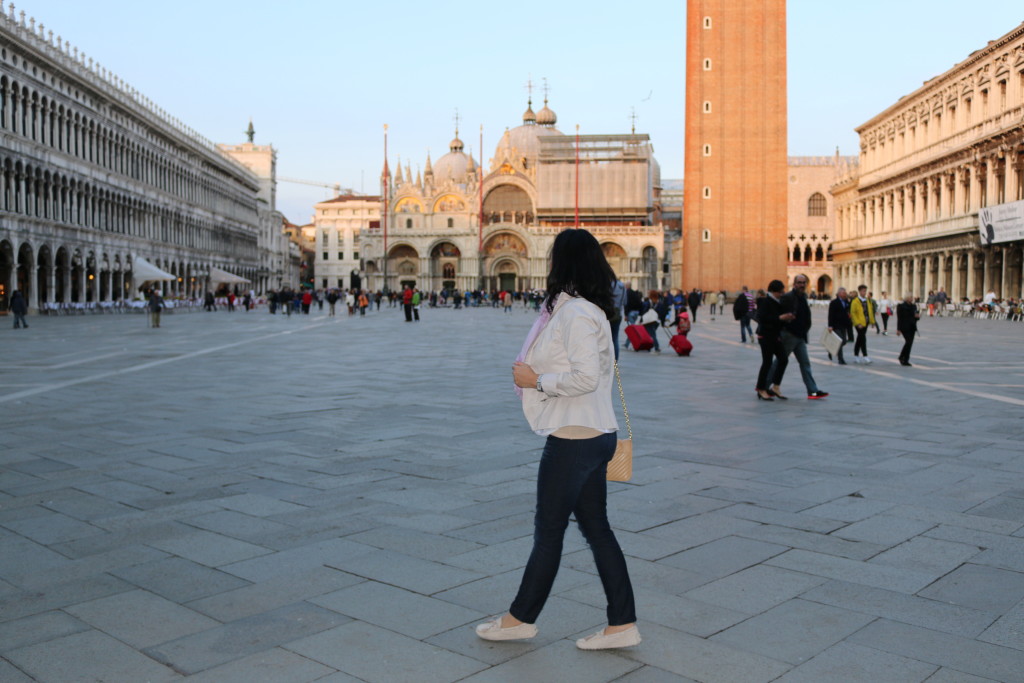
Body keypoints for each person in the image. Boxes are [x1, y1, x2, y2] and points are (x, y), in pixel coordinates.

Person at [477, 228, 638, 650]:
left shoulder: (576, 314)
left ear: (563, 263)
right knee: (596, 529)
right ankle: (622, 624)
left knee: (549, 531)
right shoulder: (586, 311)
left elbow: (585, 377)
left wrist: (537, 379)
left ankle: (519, 619)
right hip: (593, 432)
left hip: (575, 438)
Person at [767, 274, 828, 399]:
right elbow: (778, 312)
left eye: (804, 282)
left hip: (800, 336)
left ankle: (812, 391)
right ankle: (764, 386)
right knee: (779, 362)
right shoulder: (788, 297)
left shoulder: (802, 297)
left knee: (805, 363)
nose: (802, 285)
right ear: (794, 284)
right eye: (799, 282)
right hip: (789, 335)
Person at [755, 280, 788, 401]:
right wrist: (779, 317)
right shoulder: (765, 301)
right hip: (766, 336)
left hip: (775, 336)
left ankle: (776, 386)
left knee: (783, 359)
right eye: (780, 292)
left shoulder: (778, 302)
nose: (782, 294)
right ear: (774, 291)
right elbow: (762, 318)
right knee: (767, 362)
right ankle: (761, 388)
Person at [849, 285, 875, 364]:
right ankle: (865, 356)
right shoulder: (855, 301)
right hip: (859, 323)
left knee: (859, 339)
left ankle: (856, 355)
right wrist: (857, 323)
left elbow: (870, 311)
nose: (864, 292)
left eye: (865, 291)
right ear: (859, 291)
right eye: (863, 291)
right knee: (863, 338)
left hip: (865, 322)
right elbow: (853, 313)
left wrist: (872, 322)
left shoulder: (868, 300)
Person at [827, 288, 852, 365]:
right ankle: (841, 359)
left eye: (845, 293)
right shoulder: (834, 302)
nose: (845, 294)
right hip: (836, 325)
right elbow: (830, 315)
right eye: (843, 293)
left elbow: (848, 312)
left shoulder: (846, 302)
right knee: (840, 341)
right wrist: (830, 326)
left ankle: (831, 350)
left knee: (844, 341)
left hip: (843, 325)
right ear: (839, 294)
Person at [896, 293, 920, 366]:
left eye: (912, 297)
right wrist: (898, 329)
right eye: (910, 297)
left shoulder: (914, 306)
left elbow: (916, 318)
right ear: (906, 298)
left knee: (910, 343)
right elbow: (899, 318)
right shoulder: (901, 306)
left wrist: (917, 317)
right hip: (904, 327)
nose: (912, 298)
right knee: (908, 341)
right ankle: (901, 357)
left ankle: (905, 359)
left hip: (912, 327)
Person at [609, 275, 626, 361]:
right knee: (615, 338)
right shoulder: (622, 286)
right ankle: (615, 359)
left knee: (607, 338)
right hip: (618, 314)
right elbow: (625, 301)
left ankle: (609, 359)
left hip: (609, 313)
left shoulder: (608, 284)